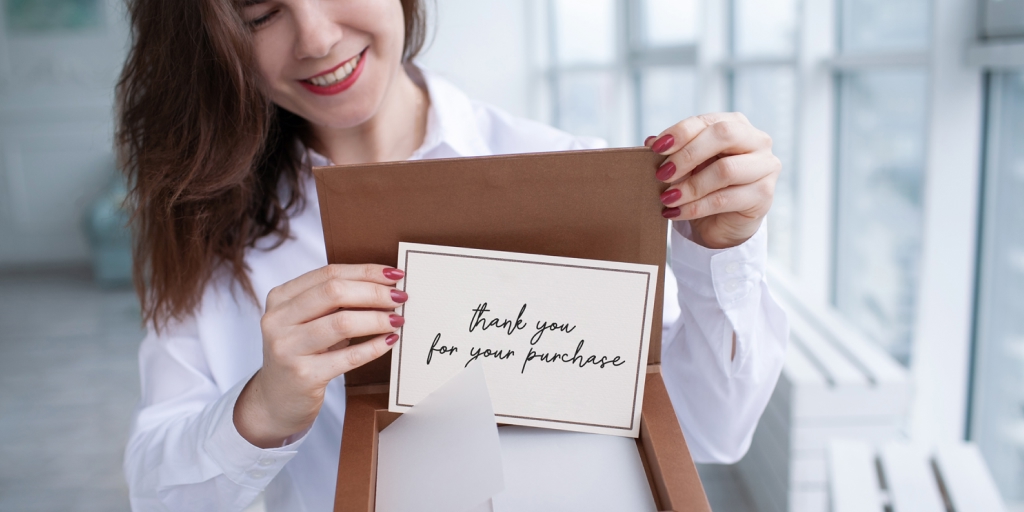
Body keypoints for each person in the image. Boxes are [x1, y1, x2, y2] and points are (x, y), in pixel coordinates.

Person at [117, 0, 788, 510]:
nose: (317, 37)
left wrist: (718, 256)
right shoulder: (209, 239)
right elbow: (157, 489)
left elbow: (711, 431)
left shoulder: (570, 174)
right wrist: (261, 411)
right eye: (261, 12)